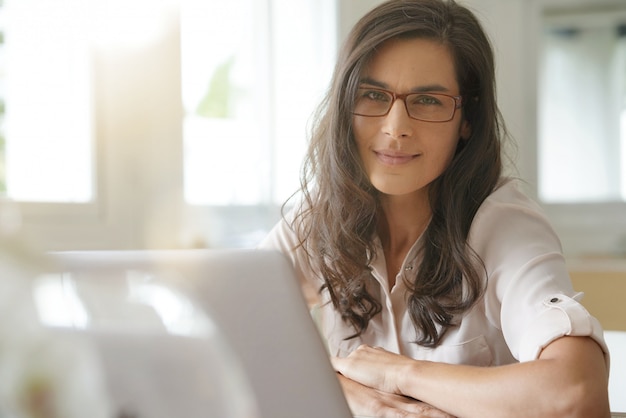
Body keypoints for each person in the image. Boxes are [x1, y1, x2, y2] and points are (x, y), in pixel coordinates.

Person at [258, 0, 611, 416]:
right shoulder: (318, 217)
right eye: (372, 94)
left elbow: (574, 395)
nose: (395, 128)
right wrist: (345, 388)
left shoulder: (503, 225)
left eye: (427, 101)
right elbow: (227, 336)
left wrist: (398, 375)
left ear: (467, 120)